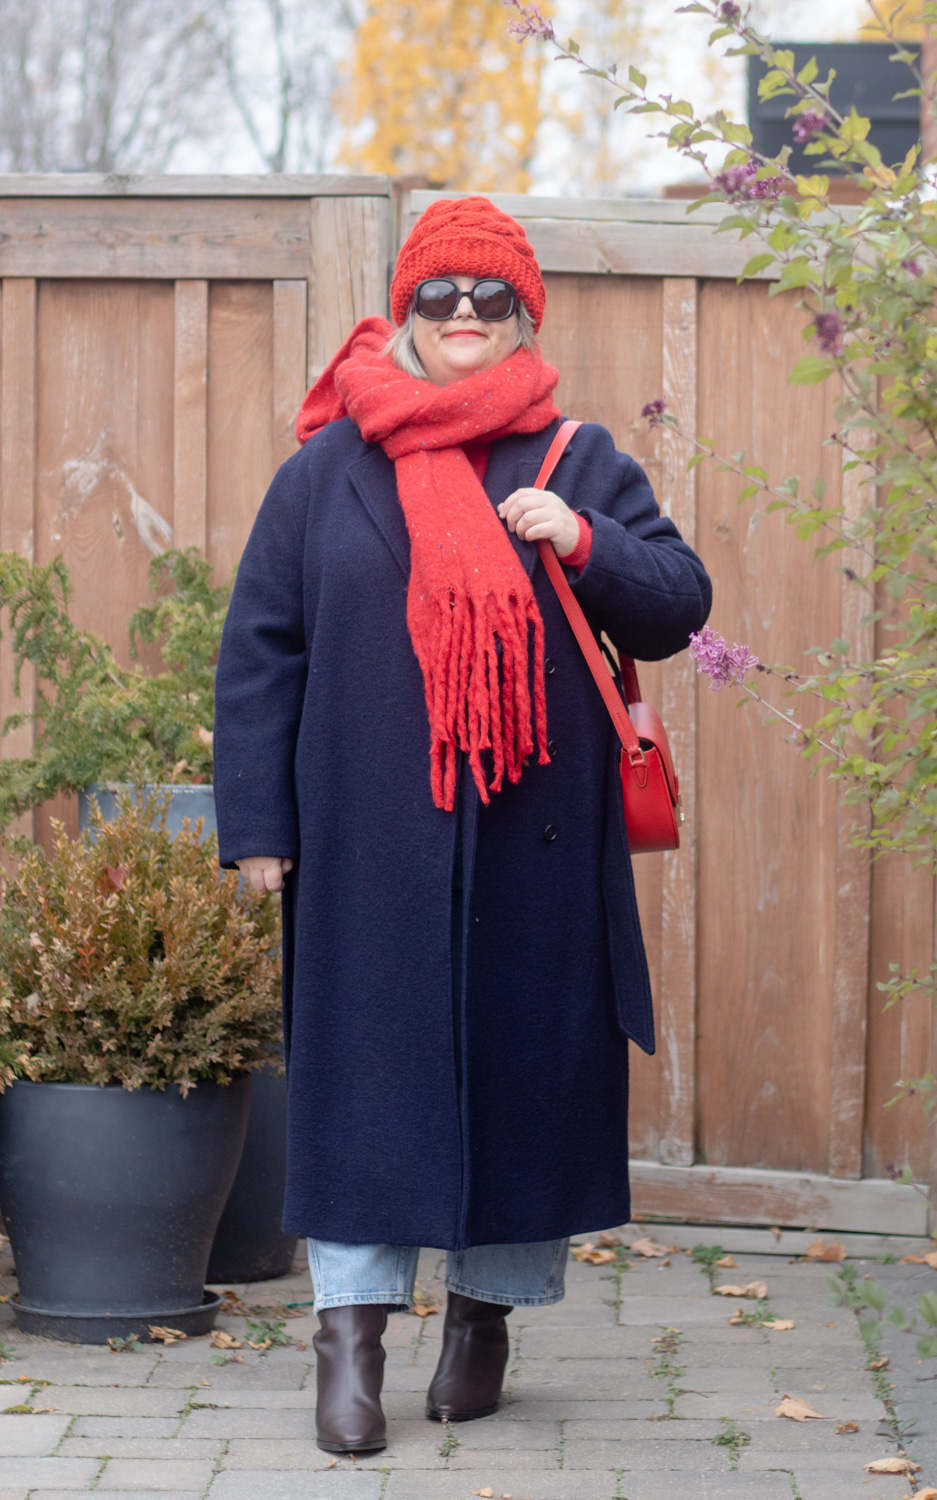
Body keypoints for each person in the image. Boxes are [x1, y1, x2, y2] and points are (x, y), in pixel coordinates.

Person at [213, 195, 712, 1454]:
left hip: (537, 846)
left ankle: (484, 1319)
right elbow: (261, 656)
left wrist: (586, 541)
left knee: (521, 1085)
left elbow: (676, 605)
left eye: (491, 299)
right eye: (440, 296)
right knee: (361, 1089)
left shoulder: (577, 458)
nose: (465, 319)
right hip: (367, 842)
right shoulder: (325, 470)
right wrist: (257, 826)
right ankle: (351, 1343)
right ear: (405, 311)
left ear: (524, 314)